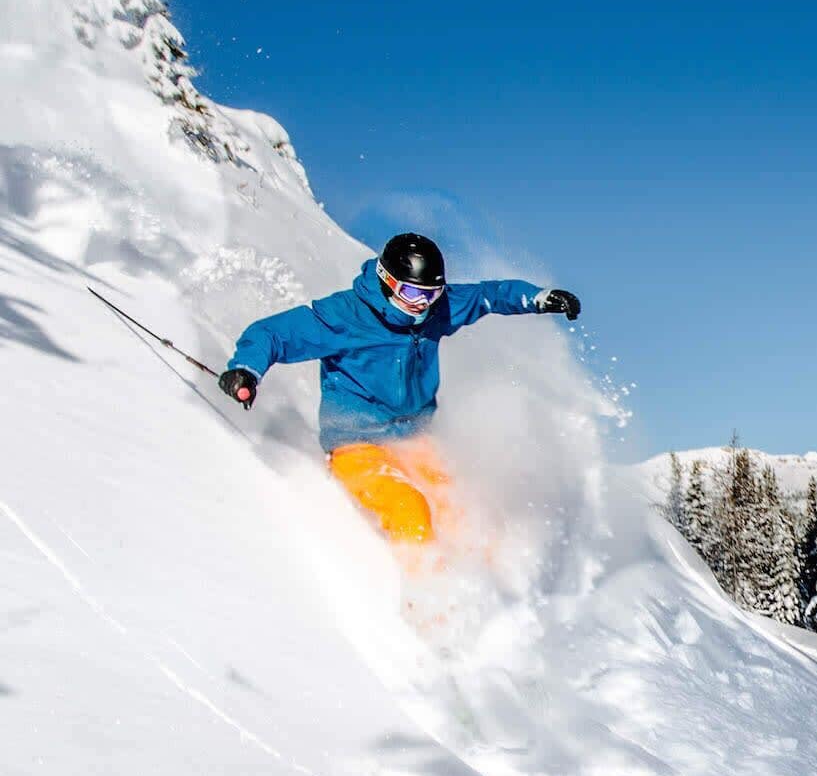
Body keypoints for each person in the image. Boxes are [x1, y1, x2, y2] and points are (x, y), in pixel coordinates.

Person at [218, 233, 580, 543]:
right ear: (387, 281)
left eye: (432, 294)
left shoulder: (437, 309)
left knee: (466, 512)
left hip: (414, 438)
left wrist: (538, 298)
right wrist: (246, 371)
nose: (422, 305)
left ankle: (502, 606)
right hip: (357, 444)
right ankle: (429, 607)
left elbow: (489, 295)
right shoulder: (346, 316)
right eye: (411, 293)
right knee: (411, 510)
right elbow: (274, 334)